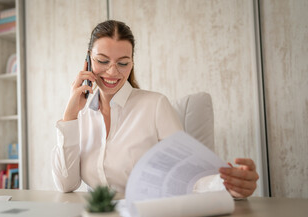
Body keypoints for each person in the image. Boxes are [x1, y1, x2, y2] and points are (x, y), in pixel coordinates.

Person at [51, 20, 259, 198]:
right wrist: (70, 116)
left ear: (132, 63)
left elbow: (188, 175)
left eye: (123, 63)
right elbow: (66, 185)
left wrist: (229, 185)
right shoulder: (82, 117)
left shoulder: (155, 105)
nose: (112, 71)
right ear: (88, 59)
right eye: (103, 61)